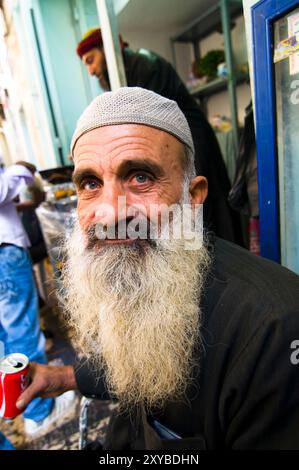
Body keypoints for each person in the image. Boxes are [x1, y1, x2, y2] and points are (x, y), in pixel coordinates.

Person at [16, 88, 299, 450]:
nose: (110, 213)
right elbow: (143, 361)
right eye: (90, 183)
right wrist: (66, 375)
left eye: (140, 178)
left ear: (192, 196)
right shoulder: (143, 271)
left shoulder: (274, 333)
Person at [76, 28, 243, 245]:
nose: (90, 70)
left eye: (91, 60)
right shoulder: (126, 70)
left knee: (198, 212)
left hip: (185, 137)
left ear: (106, 49)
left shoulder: (145, 65)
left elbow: (147, 129)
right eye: (91, 184)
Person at [0, 162, 75, 438]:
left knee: (6, 333)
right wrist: (19, 169)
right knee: (22, 332)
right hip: (3, 252)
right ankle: (38, 409)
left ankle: (11, 397)